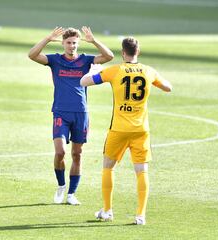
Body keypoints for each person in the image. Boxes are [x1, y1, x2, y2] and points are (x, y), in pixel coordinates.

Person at [80, 37, 172, 224]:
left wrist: (95, 69)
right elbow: (168, 87)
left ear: (123, 52)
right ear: (138, 52)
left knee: (108, 167)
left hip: (119, 129)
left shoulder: (115, 71)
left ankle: (107, 211)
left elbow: (84, 82)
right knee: (142, 170)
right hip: (141, 130)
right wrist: (154, 80)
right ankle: (140, 215)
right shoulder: (148, 71)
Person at [28, 26, 114, 205]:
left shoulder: (85, 60)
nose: (72, 46)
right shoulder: (55, 60)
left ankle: (71, 194)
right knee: (60, 152)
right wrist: (47, 38)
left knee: (77, 154)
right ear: (63, 43)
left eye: (75, 43)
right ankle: (61, 186)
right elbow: (32, 55)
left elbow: (109, 57)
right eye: (68, 43)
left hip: (81, 113)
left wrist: (94, 41)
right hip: (60, 111)